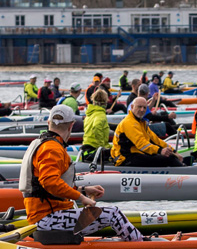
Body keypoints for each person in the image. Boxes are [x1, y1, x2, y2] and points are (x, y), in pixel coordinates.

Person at [21, 104, 143, 241]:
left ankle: (133, 241)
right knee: (113, 213)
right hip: (48, 221)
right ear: (70, 126)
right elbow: (49, 182)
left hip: (46, 218)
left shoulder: (41, 143)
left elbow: (54, 186)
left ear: (48, 123)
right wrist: (81, 197)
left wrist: (84, 190)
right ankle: (143, 246)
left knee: (109, 213)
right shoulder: (52, 148)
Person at [111, 97, 183, 167]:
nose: (142, 110)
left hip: (136, 153)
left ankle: (183, 167)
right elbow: (142, 144)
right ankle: (183, 172)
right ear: (132, 107)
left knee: (170, 157)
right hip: (124, 158)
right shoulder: (129, 122)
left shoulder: (142, 122)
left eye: (144, 108)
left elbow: (156, 140)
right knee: (169, 159)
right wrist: (160, 151)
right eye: (139, 107)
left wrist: (174, 151)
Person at [81, 88, 112, 162]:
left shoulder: (89, 114)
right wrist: (102, 147)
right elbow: (96, 127)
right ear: (105, 102)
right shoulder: (101, 114)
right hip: (95, 150)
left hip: (86, 148)